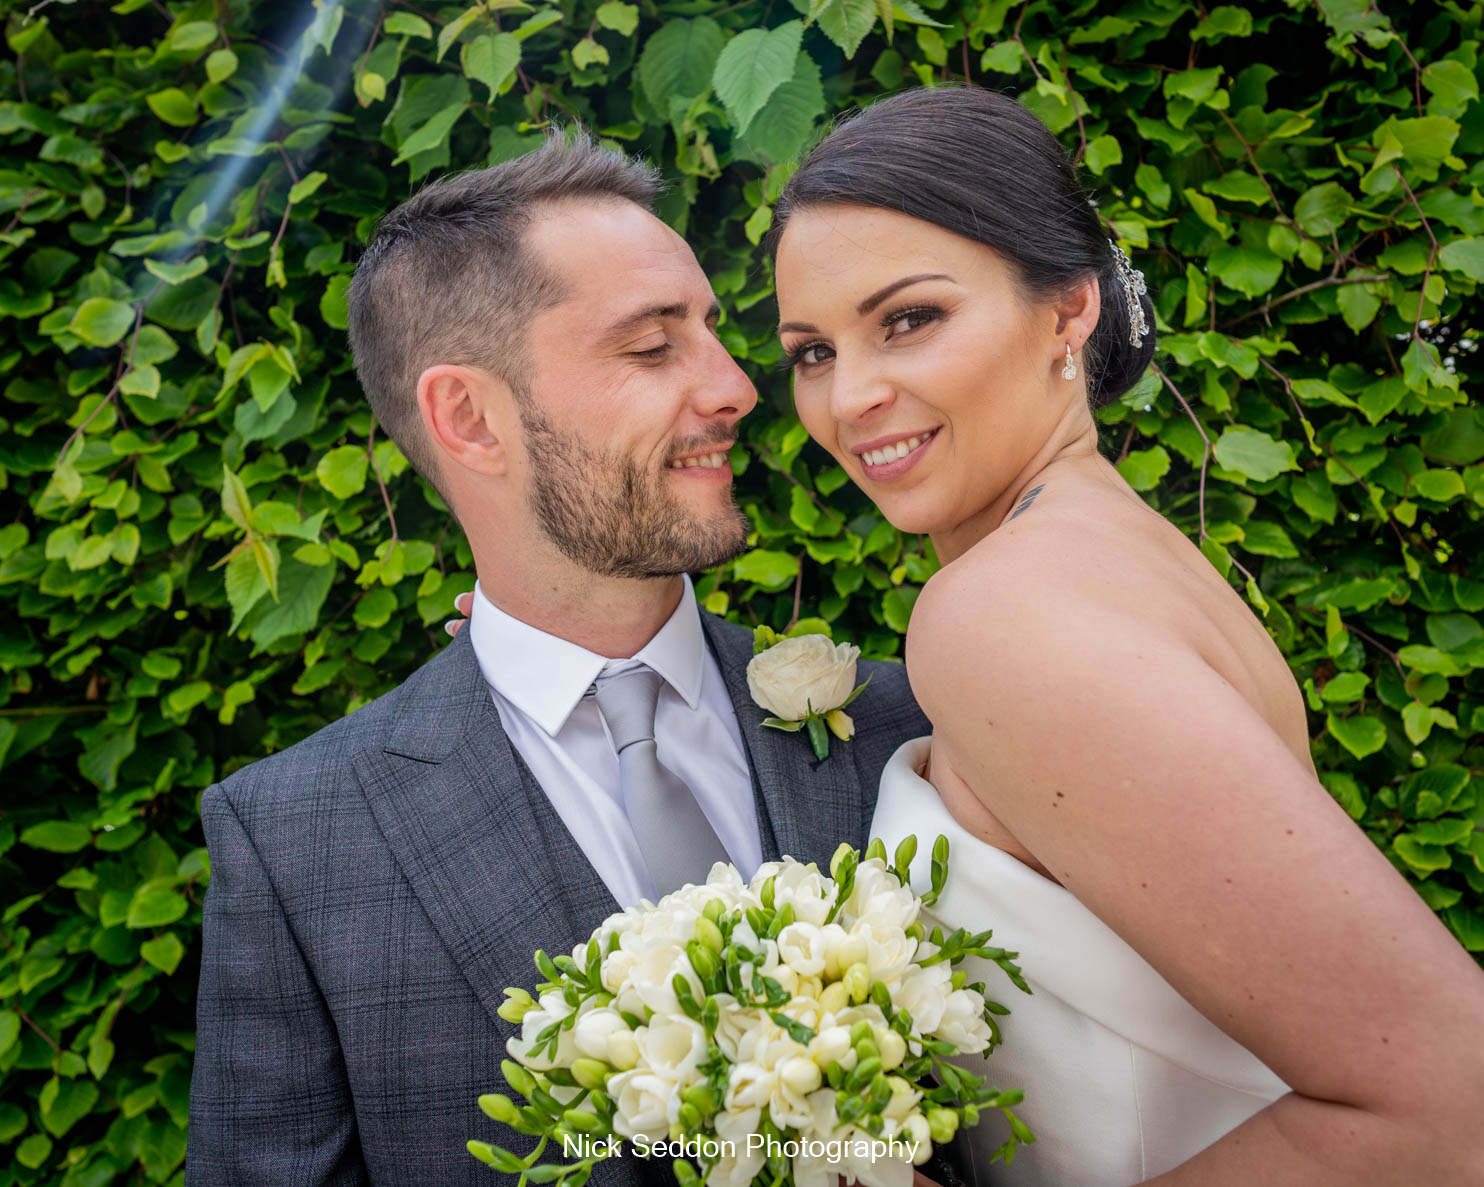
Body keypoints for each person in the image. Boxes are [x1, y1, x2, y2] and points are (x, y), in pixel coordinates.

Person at [765, 85, 1484, 1186]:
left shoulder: (1000, 610)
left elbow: (1449, 1098)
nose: (850, 395)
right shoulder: (1124, 554)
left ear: (1068, 310)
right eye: (811, 351)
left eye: (907, 319)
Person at [185, 134, 931, 1186]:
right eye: (650, 346)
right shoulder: (298, 839)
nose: (735, 389)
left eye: (713, 332)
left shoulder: (909, 728)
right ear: (469, 417)